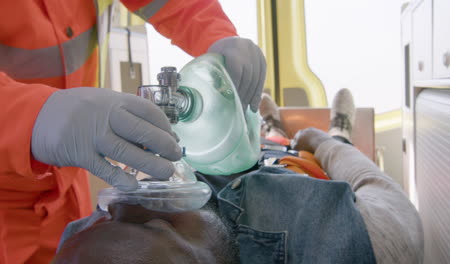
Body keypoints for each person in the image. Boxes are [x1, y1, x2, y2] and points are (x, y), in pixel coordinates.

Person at [0, 1, 266, 263]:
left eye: (107, 217)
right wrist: (30, 116)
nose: (123, 207)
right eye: (159, 226)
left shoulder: (91, 229)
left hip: (69, 178)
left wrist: (216, 37)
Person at [53, 89, 424, 264]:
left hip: (237, 154)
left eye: (100, 215)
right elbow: (373, 185)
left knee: (259, 141)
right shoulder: (348, 239)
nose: (135, 193)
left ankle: (268, 126)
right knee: (296, 147)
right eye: (155, 224)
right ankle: (333, 130)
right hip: (298, 162)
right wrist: (322, 140)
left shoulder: (78, 245)